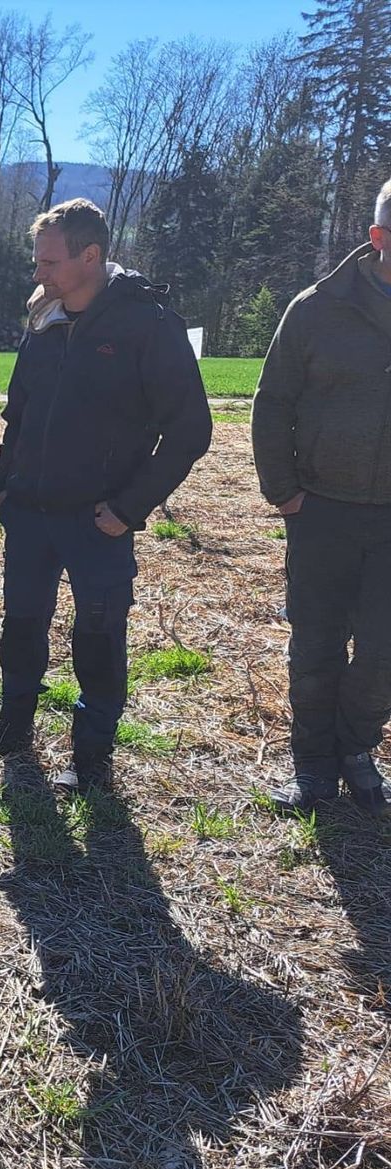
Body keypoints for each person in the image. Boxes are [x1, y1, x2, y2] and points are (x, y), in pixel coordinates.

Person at [0, 198, 211, 792]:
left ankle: (91, 756)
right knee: (21, 625)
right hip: (30, 513)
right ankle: (13, 729)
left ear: (91, 255)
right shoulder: (44, 321)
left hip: (99, 521)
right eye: (37, 261)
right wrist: (4, 487)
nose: (37, 274)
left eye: (48, 262)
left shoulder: (147, 325)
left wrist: (129, 508)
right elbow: (18, 412)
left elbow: (190, 431)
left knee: (98, 636)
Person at [251, 176, 391, 817]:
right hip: (321, 508)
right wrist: (284, 492)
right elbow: (272, 401)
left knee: (383, 649)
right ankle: (312, 763)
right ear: (378, 238)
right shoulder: (314, 308)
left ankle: (357, 750)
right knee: (315, 642)